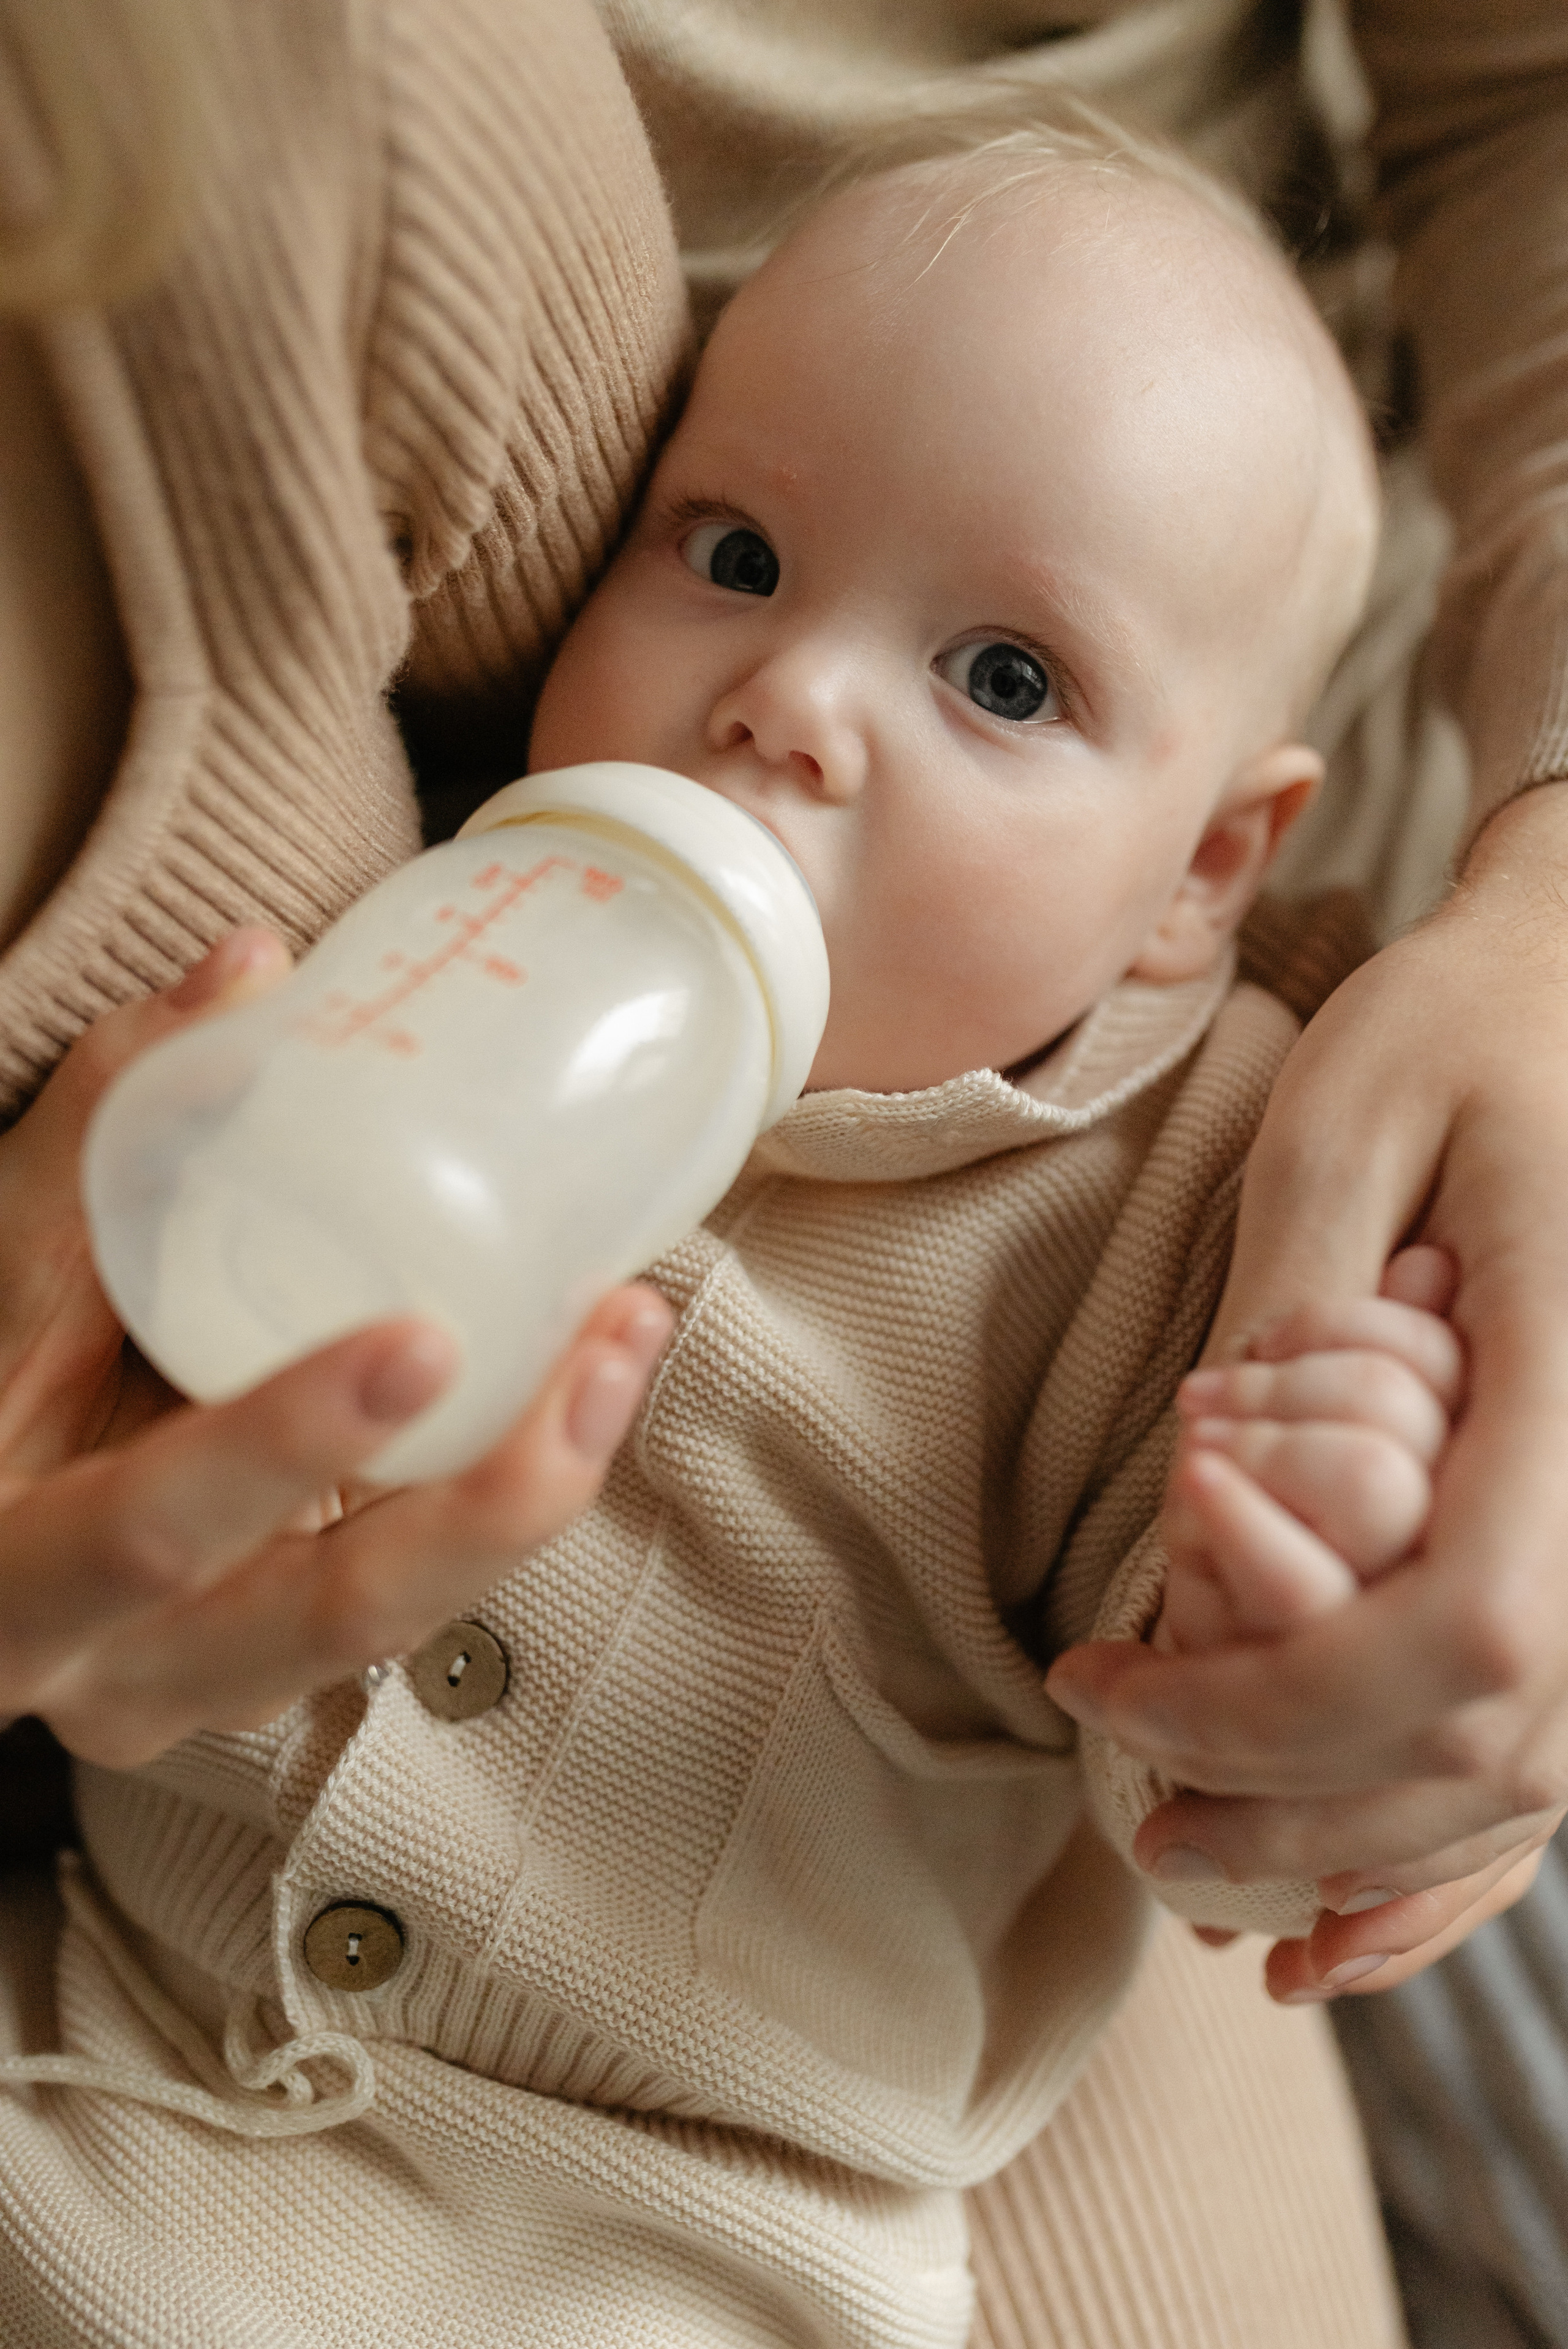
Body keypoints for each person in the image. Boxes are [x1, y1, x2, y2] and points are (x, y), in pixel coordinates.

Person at [0, 127, 1457, 2346]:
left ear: (1200, 869)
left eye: (1000, 680)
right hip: (112, 2086)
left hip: (686, 2249)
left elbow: (1196, 1735)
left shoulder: (1184, 1178)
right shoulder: (431, 936)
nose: (791, 703)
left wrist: (1308, 1555)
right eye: (739, 549)